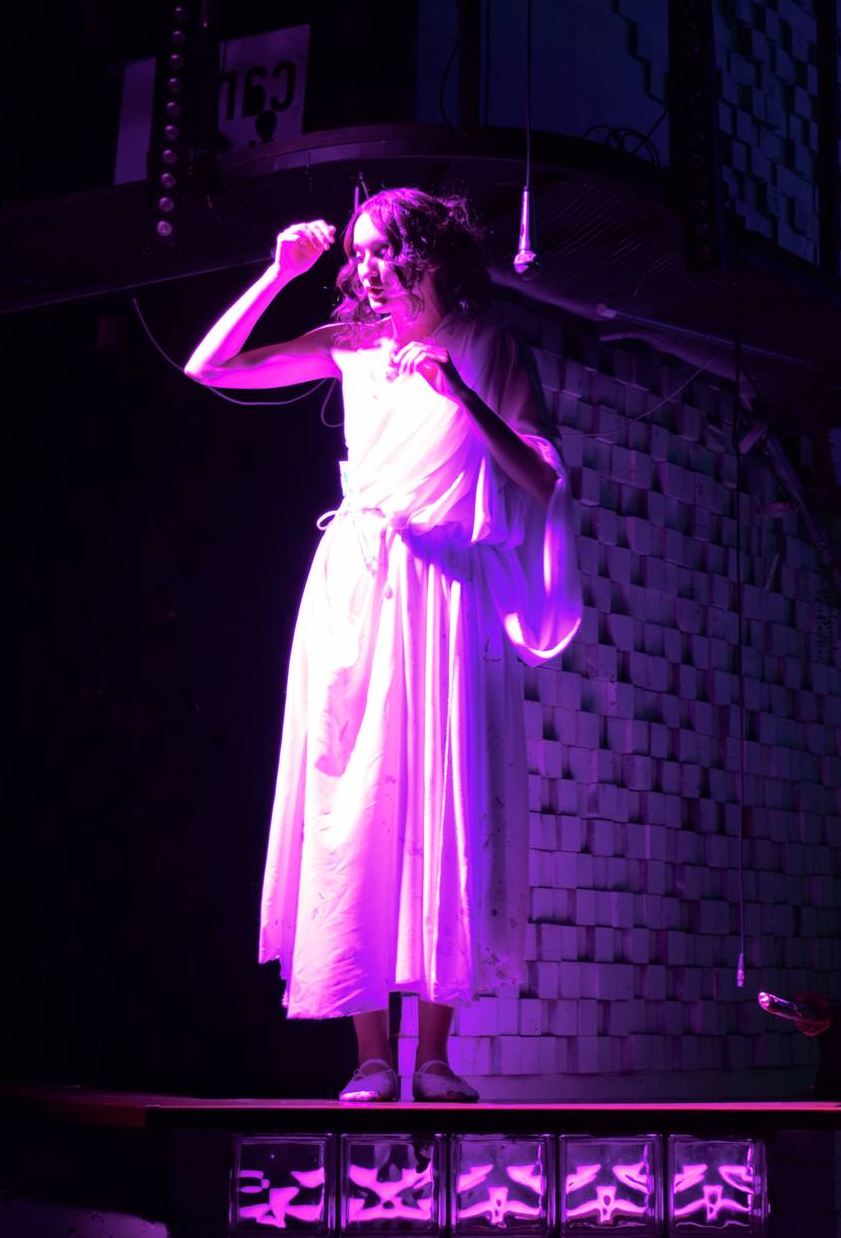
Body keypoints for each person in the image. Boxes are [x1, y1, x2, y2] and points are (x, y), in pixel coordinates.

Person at [184, 188, 581, 1101]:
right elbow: (211, 367)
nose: (362, 270)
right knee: (355, 799)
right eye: (355, 254)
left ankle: (432, 1057)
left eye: (378, 252)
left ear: (426, 256)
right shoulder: (352, 345)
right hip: (359, 586)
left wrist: (461, 396)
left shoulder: (489, 347)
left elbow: (543, 478)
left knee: (444, 798)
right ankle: (370, 1057)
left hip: (445, 594)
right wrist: (276, 273)